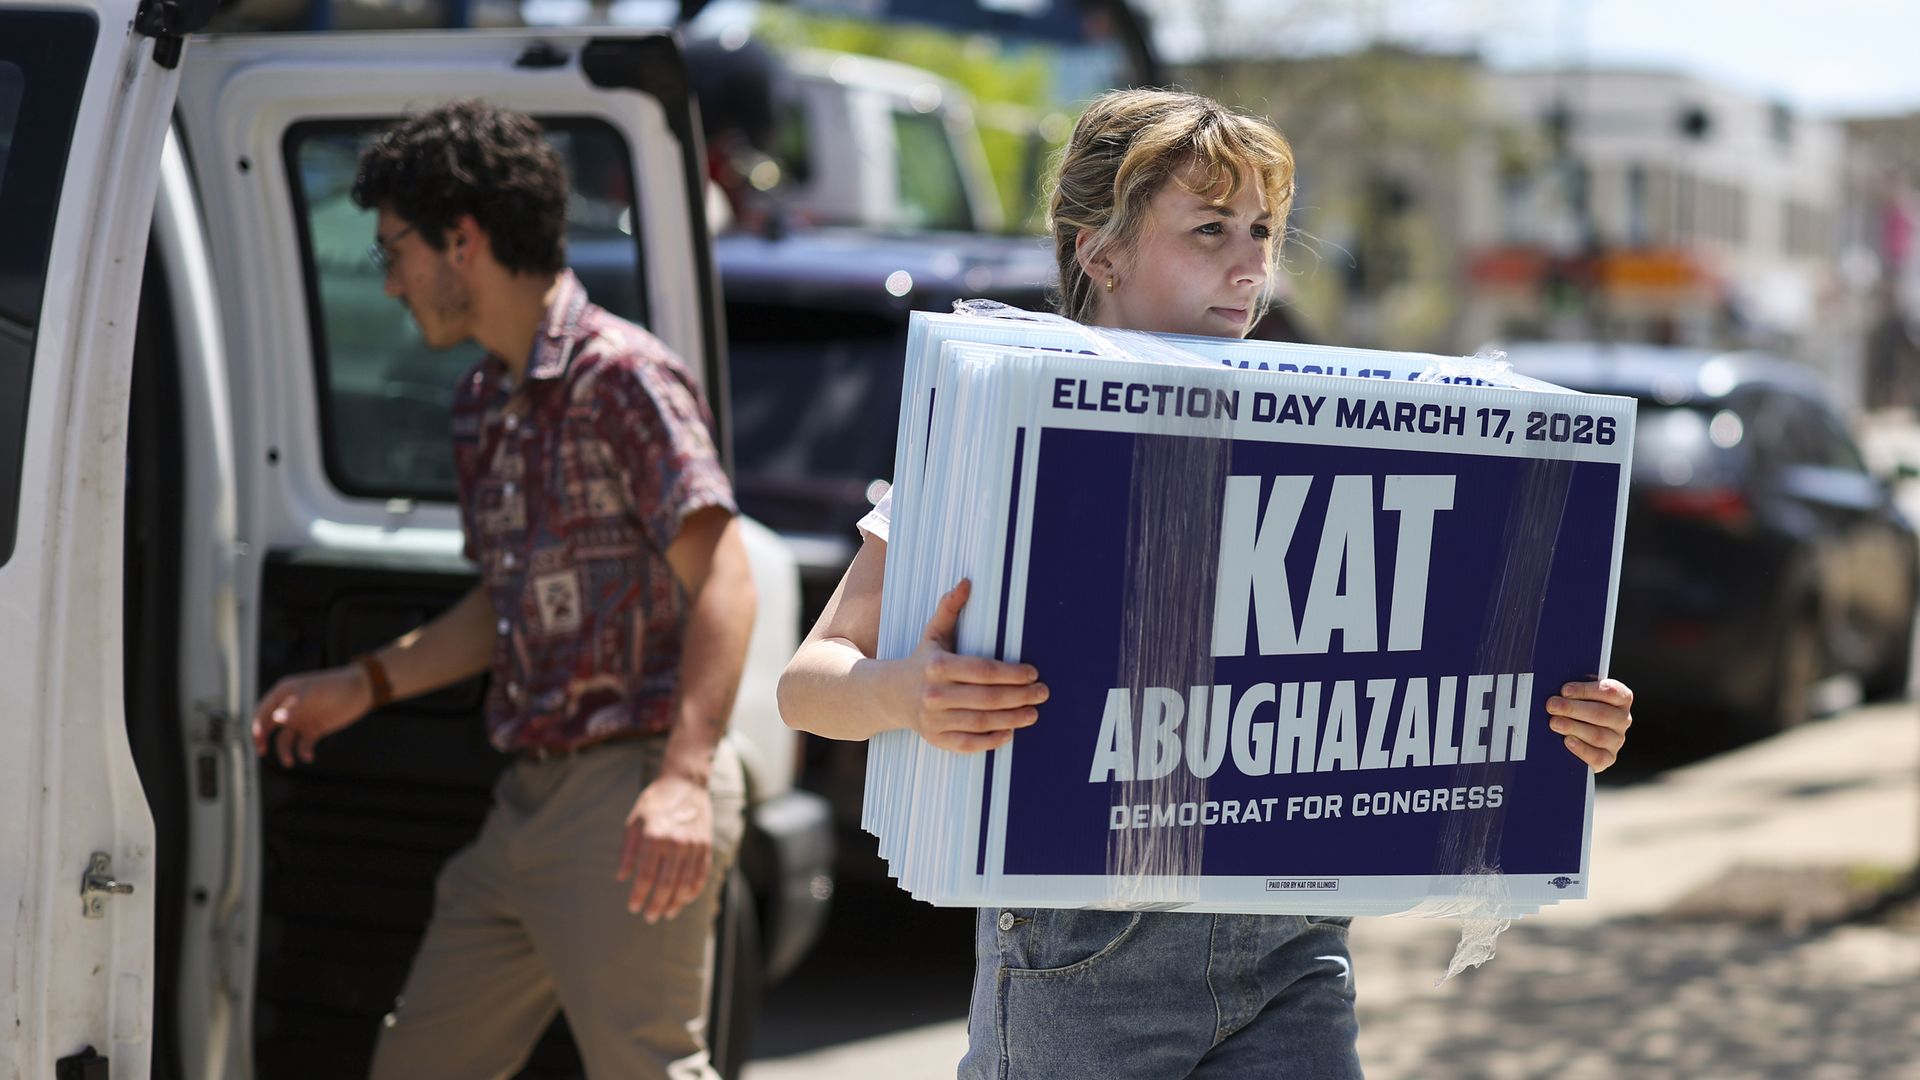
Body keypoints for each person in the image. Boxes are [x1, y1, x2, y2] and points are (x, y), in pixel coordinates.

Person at [776, 88, 1635, 1078]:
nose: (1250, 264)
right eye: (1209, 229)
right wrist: (901, 692)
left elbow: (1423, 661)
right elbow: (808, 681)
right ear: (1100, 252)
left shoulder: (1330, 431)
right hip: (1084, 965)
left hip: (1296, 949)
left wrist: (1566, 720)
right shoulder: (999, 429)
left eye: (1263, 229)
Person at [249, 100, 756, 1080]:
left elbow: (726, 576)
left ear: (462, 239)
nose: (388, 280)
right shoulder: (485, 403)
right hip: (524, 801)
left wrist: (683, 781)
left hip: (632, 788)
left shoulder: (622, 378)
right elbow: (510, 602)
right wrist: (363, 683)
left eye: (395, 248)